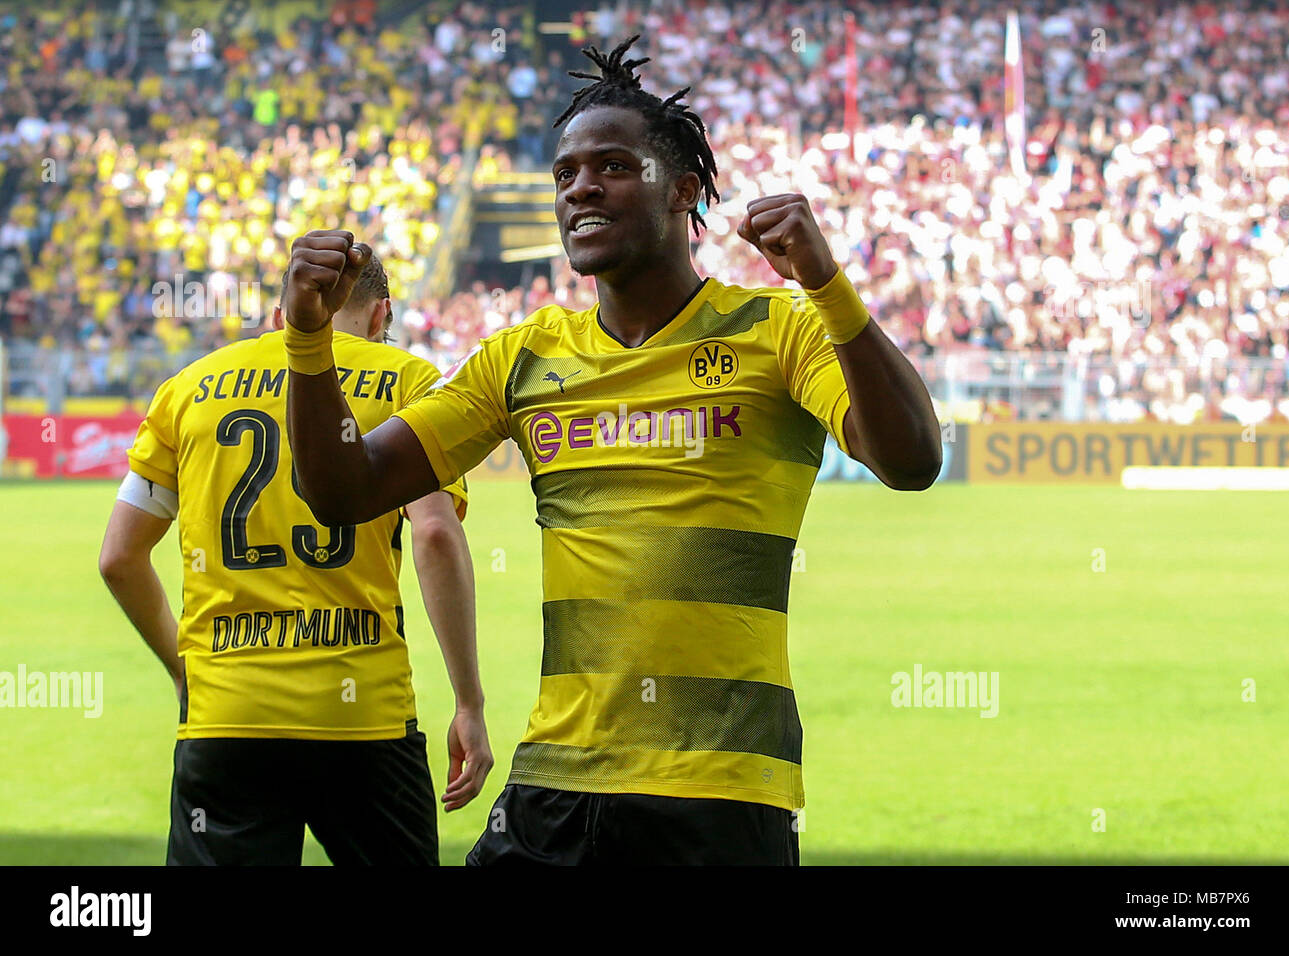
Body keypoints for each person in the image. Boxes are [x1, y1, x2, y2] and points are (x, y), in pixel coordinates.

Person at [280, 36, 941, 865]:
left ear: (685, 191)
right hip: (553, 786)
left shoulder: (778, 332)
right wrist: (308, 341)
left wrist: (827, 285)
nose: (581, 187)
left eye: (615, 166)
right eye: (565, 174)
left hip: (721, 795)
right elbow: (343, 490)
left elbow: (912, 461)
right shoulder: (521, 358)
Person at [98, 253, 492, 865]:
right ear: (382, 312)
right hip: (362, 716)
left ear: (281, 313)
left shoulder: (189, 387)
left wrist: (186, 671)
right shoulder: (409, 379)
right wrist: (469, 702)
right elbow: (435, 534)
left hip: (228, 713)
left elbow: (119, 558)